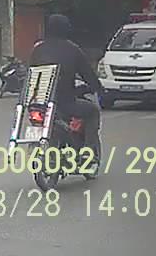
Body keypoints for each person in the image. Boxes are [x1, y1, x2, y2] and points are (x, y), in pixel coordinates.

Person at [28, 13, 104, 173]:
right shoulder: (72, 49)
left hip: (38, 103)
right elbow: (88, 74)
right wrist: (98, 88)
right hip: (64, 103)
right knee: (92, 111)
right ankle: (87, 153)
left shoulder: (38, 49)